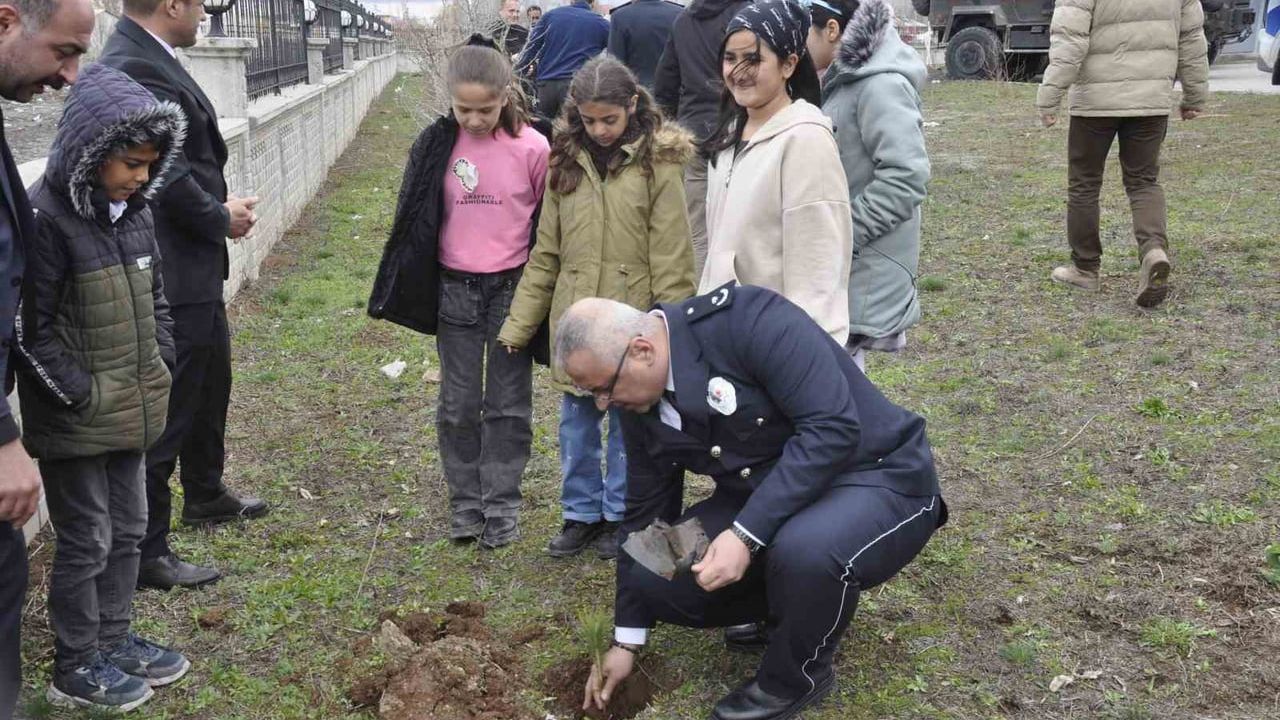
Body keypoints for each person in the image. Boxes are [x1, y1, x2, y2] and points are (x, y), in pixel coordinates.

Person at [557, 287, 945, 720]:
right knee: (652, 565)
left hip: (872, 477)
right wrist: (626, 639)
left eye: (603, 389)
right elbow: (646, 512)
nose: (603, 404)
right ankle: (791, 605)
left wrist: (746, 534)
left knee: (805, 550)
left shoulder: (751, 320)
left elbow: (831, 429)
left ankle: (793, 677)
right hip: (766, 496)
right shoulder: (636, 398)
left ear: (642, 350)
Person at [18, 61, 191, 713]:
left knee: (129, 528)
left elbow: (158, 304)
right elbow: (29, 331)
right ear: (90, 156)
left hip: (133, 408)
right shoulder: (47, 223)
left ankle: (114, 640)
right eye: (130, 164)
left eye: (150, 164)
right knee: (87, 537)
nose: (141, 177)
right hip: (78, 419)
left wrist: (160, 366)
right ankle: (76, 661)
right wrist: (83, 393)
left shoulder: (136, 215)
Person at [99, 0, 269, 590]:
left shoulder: (155, 55)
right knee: (172, 397)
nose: (204, 12)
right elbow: (162, 173)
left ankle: (205, 490)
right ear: (171, 4)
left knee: (210, 376)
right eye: (197, 3)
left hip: (193, 264)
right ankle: (149, 547)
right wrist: (218, 216)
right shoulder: (134, 65)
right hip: (173, 262)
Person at [497, 56, 695, 561]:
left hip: (630, 329)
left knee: (628, 430)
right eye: (589, 120)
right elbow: (546, 253)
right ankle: (579, 513)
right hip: (578, 327)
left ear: (632, 105)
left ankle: (618, 514)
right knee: (576, 428)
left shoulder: (659, 163)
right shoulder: (563, 161)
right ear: (575, 114)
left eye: (610, 119)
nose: (600, 130)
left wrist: (674, 329)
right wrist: (519, 326)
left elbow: (672, 251)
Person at [369, 38, 549, 549]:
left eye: (485, 109)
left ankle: (502, 505)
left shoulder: (535, 148)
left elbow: (545, 222)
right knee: (458, 405)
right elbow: (416, 216)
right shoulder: (436, 147)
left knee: (509, 404)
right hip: (456, 292)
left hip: (512, 292)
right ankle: (466, 505)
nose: (473, 119)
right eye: (463, 108)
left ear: (506, 95)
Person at [1036, 0, 1208, 308]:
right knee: (1143, 181)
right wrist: (1195, 94)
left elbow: (1069, 40)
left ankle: (1085, 269)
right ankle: (1154, 250)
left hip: (1094, 104)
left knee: (1085, 184)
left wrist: (1049, 97)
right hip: (1151, 101)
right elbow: (1192, 37)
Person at [700, 0, 854, 345]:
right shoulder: (727, 138)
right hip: (727, 342)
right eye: (730, 58)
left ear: (788, 64)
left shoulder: (805, 140)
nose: (738, 71)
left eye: (753, 59)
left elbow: (818, 271)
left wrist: (805, 361)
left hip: (776, 350)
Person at [806, 0, 930, 371]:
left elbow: (906, 177)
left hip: (864, 259)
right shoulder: (845, 77)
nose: (798, 45)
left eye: (804, 34)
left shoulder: (879, 84)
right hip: (848, 259)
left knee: (838, 380)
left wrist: (843, 232)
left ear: (831, 30)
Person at [652, 0, 749, 277]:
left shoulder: (684, 21)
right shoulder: (746, 15)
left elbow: (665, 84)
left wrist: (669, 129)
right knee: (740, 227)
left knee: (697, 230)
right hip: (737, 129)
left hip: (693, 131)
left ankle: (701, 302)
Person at [515, 0, 610, 120]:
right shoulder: (601, 24)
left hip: (546, 86)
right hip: (576, 87)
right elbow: (614, 55)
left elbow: (530, 49)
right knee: (572, 132)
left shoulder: (550, 16)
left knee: (543, 131)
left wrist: (516, 76)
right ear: (593, 2)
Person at [607, 0, 682, 88]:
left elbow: (615, 62)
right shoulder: (679, 13)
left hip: (637, 90)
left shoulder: (620, 17)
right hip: (674, 89)